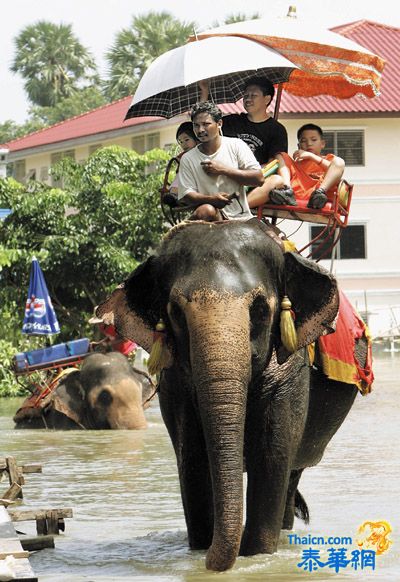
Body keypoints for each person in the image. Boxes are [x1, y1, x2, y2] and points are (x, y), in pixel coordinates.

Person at [177, 101, 264, 222]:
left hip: (241, 217)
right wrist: (211, 200)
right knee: (207, 210)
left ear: (219, 124)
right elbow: (186, 195)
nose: (200, 129)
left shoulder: (236, 145)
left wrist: (223, 170)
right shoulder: (188, 158)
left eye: (206, 124)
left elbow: (259, 179)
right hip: (209, 218)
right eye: (196, 125)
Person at [247, 123, 345, 210]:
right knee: (281, 155)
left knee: (339, 161)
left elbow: (337, 169)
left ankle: (319, 192)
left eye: (314, 140)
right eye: (303, 141)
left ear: (322, 144)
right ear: (299, 146)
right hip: (294, 195)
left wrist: (312, 157)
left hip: (318, 197)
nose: (309, 143)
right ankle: (287, 191)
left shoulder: (329, 159)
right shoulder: (295, 165)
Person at [199, 76, 288, 165]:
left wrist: (250, 173)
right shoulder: (232, 122)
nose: (248, 99)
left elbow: (274, 163)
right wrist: (205, 91)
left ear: (267, 99)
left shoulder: (277, 130)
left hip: (259, 176)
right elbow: (204, 122)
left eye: (253, 95)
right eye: (246, 95)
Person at [167, 122, 200, 201]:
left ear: (196, 137)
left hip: (196, 180)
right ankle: (174, 194)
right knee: (180, 174)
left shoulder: (202, 150)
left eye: (186, 140)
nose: (183, 144)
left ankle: (176, 194)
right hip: (185, 180)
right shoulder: (184, 155)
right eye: (181, 142)